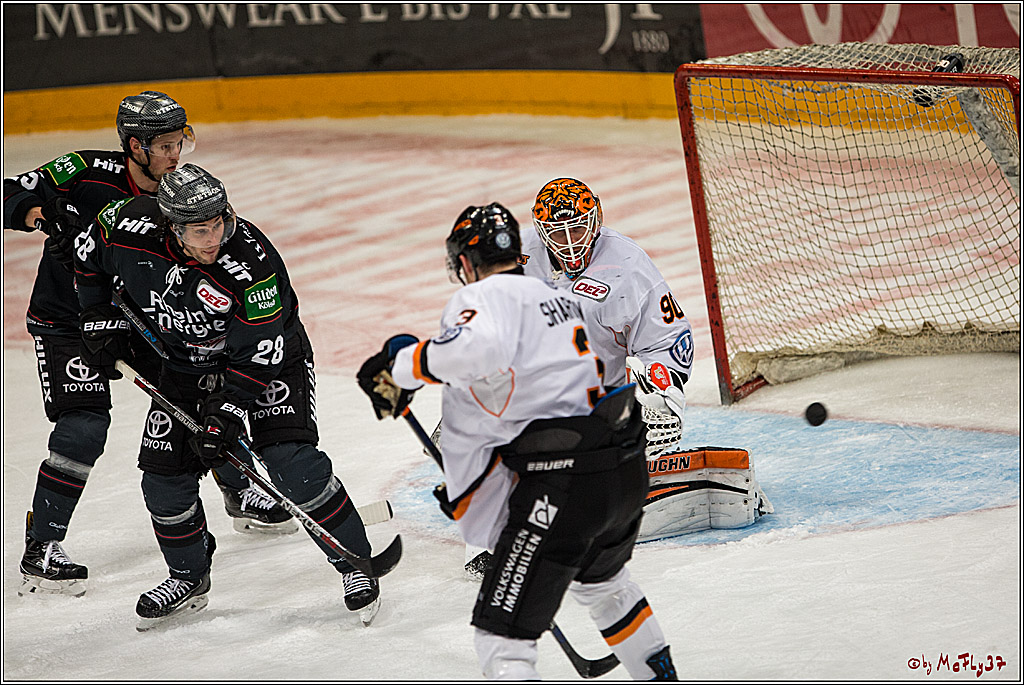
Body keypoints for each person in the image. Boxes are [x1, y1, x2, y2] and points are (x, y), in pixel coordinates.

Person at [358, 203, 677, 680]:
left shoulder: (484, 298)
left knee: (501, 638)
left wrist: (400, 367)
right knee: (606, 588)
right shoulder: (559, 299)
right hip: (619, 465)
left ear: (465, 261)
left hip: (559, 485)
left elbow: (475, 349)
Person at [3, 92, 293, 599]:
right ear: (134, 145)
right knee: (83, 426)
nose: (175, 155)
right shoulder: (82, 170)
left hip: (139, 320)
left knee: (197, 391)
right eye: (164, 145)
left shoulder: (178, 195)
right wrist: (41, 216)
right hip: (67, 321)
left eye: (180, 141)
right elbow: (8, 192)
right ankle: (42, 546)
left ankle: (239, 491)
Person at [72, 163, 380, 628]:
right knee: (162, 478)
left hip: (269, 360)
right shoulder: (127, 224)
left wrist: (228, 413)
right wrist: (98, 314)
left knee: (292, 463)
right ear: (172, 226)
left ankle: (354, 563)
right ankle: (188, 577)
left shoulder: (251, 262)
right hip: (183, 365)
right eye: (200, 229)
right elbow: (84, 251)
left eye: (219, 222)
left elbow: (260, 352)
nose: (214, 236)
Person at [524, 177, 772, 544]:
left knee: (653, 386)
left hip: (604, 397)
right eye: (559, 235)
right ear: (541, 233)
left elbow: (670, 342)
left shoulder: (627, 265)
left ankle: (642, 467)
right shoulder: (518, 259)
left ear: (596, 221)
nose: (571, 243)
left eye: (577, 228)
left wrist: (658, 394)